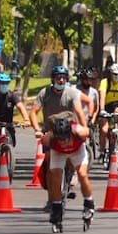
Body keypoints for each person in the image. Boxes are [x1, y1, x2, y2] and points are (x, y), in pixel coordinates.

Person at [30, 65, 89, 212]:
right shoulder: (45, 93)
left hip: (69, 131)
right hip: (50, 132)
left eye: (63, 78)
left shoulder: (72, 93)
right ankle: (52, 200)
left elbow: (79, 112)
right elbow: (33, 112)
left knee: (71, 158)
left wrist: (84, 128)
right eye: (58, 78)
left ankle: (69, 178)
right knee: (51, 165)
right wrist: (37, 129)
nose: (61, 80)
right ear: (52, 79)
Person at [41, 115, 94, 230]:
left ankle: (89, 203)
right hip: (58, 152)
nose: (64, 142)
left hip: (77, 151)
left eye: (65, 139)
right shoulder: (49, 139)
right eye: (60, 139)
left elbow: (89, 131)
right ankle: (56, 207)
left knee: (82, 174)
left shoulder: (80, 132)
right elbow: (44, 145)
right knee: (55, 176)